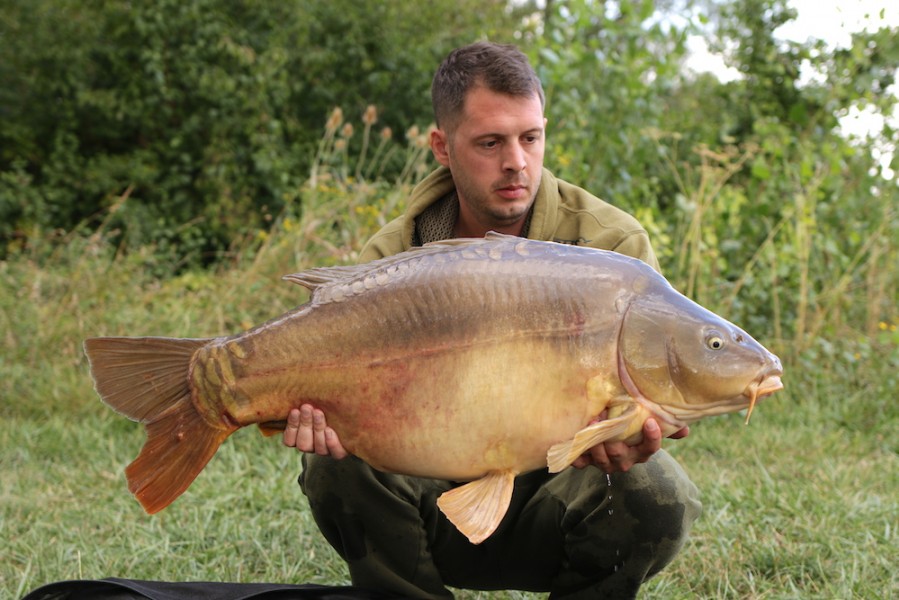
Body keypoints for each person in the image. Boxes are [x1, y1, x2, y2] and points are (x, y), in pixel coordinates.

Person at [283, 41, 701, 599]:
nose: (516, 162)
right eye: (490, 142)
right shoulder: (394, 255)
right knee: (335, 467)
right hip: (428, 499)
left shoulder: (612, 247)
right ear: (442, 146)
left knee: (657, 489)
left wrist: (637, 438)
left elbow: (649, 397)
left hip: (554, 502)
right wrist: (323, 414)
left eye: (530, 138)